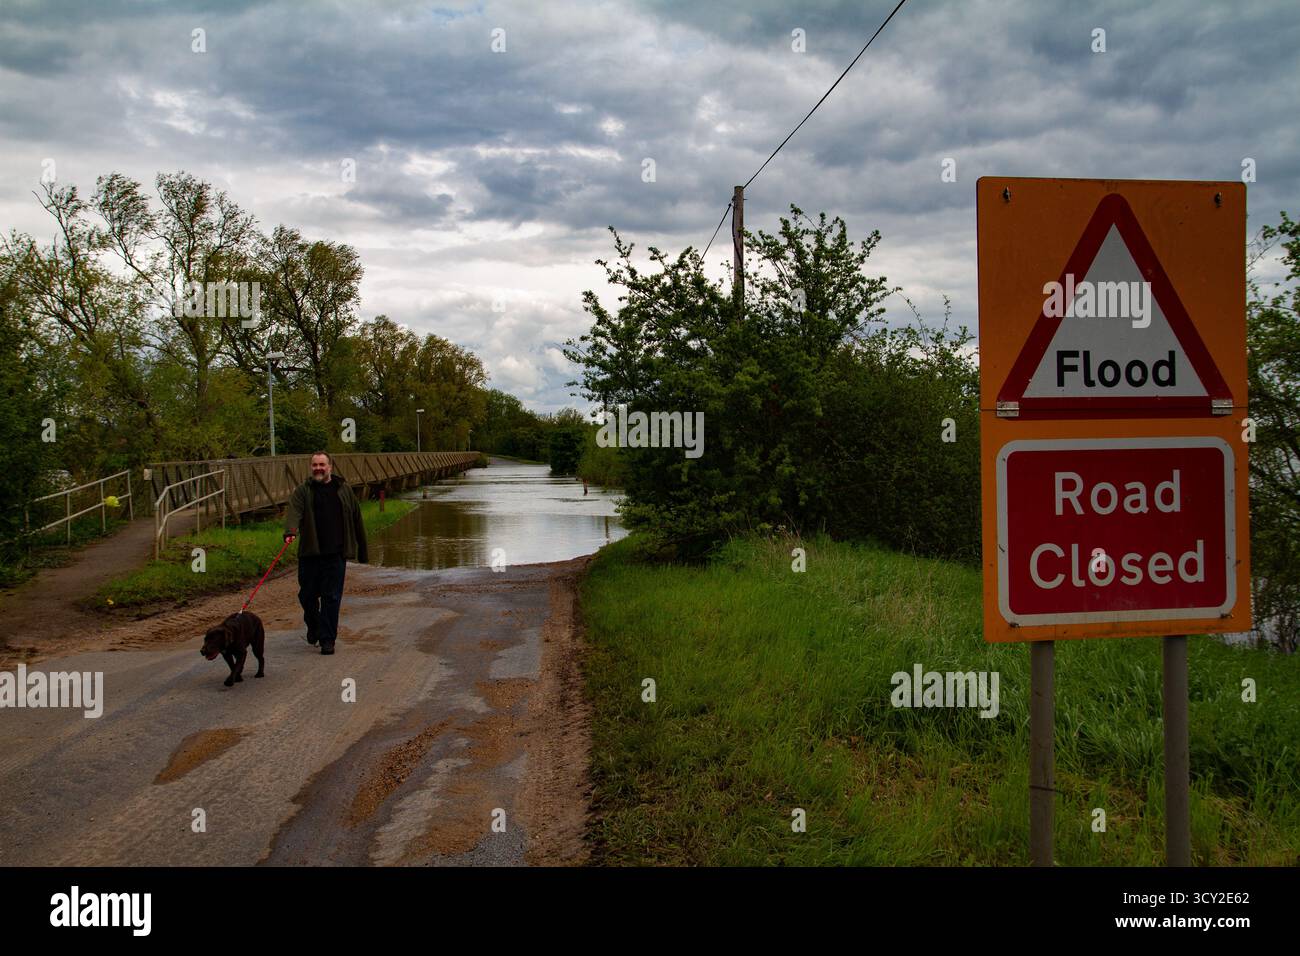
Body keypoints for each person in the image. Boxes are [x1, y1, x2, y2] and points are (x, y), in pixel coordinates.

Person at [283, 451, 368, 655]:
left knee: (331, 597)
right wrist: (290, 531)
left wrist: (362, 550)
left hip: (336, 555)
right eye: (315, 465)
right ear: (311, 467)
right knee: (307, 596)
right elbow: (294, 512)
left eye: (322, 464)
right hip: (310, 554)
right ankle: (314, 626)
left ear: (330, 466)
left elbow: (357, 519)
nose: (318, 468)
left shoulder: (344, 490)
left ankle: (327, 639)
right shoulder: (303, 491)